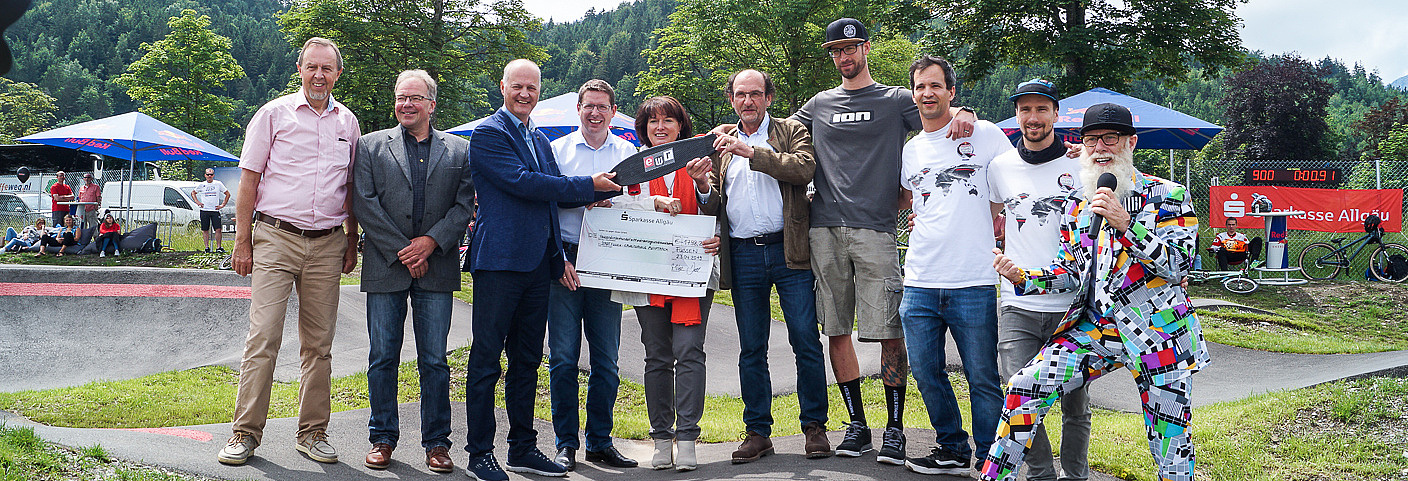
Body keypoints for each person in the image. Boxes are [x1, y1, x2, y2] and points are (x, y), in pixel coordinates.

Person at [785, 18, 976, 463]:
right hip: (823, 228)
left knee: (890, 330)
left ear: (866, 48)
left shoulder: (896, 100)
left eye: (850, 48)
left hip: (876, 230)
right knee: (836, 327)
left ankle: (894, 430)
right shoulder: (818, 104)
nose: (843, 57)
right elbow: (778, 135)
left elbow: (939, 118)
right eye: (836, 50)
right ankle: (857, 426)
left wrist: (965, 112)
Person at [984, 103, 1207, 481]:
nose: (1101, 148)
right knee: (1023, 386)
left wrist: (1126, 225)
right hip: (1097, 333)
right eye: (1091, 140)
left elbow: (1180, 266)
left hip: (1159, 335)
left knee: (1170, 444)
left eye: (1110, 139)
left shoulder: (1169, 195)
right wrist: (1023, 276)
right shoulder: (1078, 204)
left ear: (1131, 143)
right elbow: (1069, 272)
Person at [462, 59, 621, 481]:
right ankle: (479, 453)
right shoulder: (488, 134)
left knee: (528, 361)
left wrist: (563, 249)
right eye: (518, 86)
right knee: (485, 362)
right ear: (502, 86)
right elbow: (524, 184)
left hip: (537, 267)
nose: (525, 94)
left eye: (532, 87)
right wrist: (590, 185)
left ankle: (522, 448)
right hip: (498, 263)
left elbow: (551, 201)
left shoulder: (537, 137)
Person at [218, 37, 361, 467]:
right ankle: (244, 434)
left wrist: (352, 239)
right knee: (263, 337)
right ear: (299, 69)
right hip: (275, 237)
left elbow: (350, 187)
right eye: (311, 67)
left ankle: (313, 433)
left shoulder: (348, 123)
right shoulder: (273, 114)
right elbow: (248, 181)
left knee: (319, 345)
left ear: (338, 74)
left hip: (327, 242)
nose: (319, 76)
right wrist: (242, 241)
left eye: (327, 69)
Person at [694, 69, 831, 463]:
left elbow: (804, 168)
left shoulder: (790, 130)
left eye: (755, 94)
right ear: (733, 100)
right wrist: (703, 185)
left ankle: (814, 428)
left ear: (768, 98)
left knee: (805, 339)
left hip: (790, 252)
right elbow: (715, 202)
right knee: (751, 347)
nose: (748, 101)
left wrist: (751, 151)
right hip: (744, 254)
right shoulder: (718, 142)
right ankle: (757, 432)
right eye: (741, 95)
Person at [351, 69, 474, 474]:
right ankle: (382, 438)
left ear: (431, 105)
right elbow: (364, 203)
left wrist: (431, 242)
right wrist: (405, 250)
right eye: (401, 97)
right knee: (382, 356)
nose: (407, 104)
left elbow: (464, 205)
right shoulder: (369, 146)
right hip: (386, 265)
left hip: (436, 266)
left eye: (415, 98)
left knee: (435, 360)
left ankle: (437, 444)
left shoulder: (459, 150)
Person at [895, 56, 1011, 476]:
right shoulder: (911, 150)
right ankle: (952, 448)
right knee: (927, 372)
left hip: (974, 279)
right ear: (914, 93)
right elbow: (913, 201)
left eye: (936, 86)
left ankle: (989, 457)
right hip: (921, 279)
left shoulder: (985, 134)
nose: (928, 93)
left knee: (982, 378)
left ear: (951, 92)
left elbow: (1014, 180)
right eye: (921, 87)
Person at [985, 79, 1091, 481]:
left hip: (1073, 306)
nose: (1033, 118)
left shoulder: (1079, 165)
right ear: (1017, 115)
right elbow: (993, 213)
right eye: (1025, 109)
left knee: (1075, 405)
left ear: (1056, 114)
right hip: (1017, 303)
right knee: (1020, 396)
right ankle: (1042, 475)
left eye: (1041, 109)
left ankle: (1076, 475)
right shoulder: (1000, 167)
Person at [617, 95, 719, 472]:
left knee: (690, 352)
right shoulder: (631, 168)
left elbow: (720, 209)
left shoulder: (702, 160)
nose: (660, 127)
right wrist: (652, 205)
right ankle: (662, 438)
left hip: (694, 271)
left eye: (669, 121)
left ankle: (688, 438)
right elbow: (616, 210)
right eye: (652, 121)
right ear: (643, 128)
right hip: (648, 273)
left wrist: (703, 185)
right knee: (657, 356)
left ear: (681, 126)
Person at [545, 79, 639, 471]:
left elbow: (640, 204)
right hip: (566, 261)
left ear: (613, 111)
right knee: (563, 359)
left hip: (609, 263)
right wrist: (556, 259)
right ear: (578, 110)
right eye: (589, 106)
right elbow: (546, 205)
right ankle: (566, 442)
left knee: (607, 361)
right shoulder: (557, 150)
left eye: (603, 107)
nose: (595, 113)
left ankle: (599, 440)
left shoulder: (628, 151)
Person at [189, 168, 230, 252]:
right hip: (205, 210)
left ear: (213, 175)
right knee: (205, 229)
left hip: (215, 210)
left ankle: (219, 247)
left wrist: (223, 205)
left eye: (211, 175)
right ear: (205, 175)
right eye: (208, 174)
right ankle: (206, 247)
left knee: (218, 229)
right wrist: (198, 202)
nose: (209, 176)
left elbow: (227, 194)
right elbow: (193, 192)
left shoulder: (218, 184)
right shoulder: (202, 184)